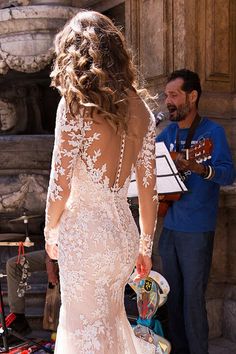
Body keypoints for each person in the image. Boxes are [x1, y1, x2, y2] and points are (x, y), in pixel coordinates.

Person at [44, 10, 158, 354]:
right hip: (123, 234)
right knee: (111, 324)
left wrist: (50, 233)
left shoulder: (75, 105)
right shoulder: (143, 111)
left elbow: (59, 184)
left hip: (85, 236)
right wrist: (145, 249)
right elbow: (149, 192)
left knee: (81, 330)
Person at [156, 69, 235, 354]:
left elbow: (228, 174)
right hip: (170, 228)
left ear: (193, 96)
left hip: (197, 229)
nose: (169, 101)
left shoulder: (212, 132)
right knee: (172, 299)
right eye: (167, 95)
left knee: (192, 301)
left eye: (174, 95)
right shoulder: (166, 134)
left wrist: (200, 168)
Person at [4, 250, 58, 342]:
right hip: (55, 251)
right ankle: (18, 319)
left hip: (76, 253)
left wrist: (51, 270)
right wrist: (50, 268)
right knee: (13, 265)